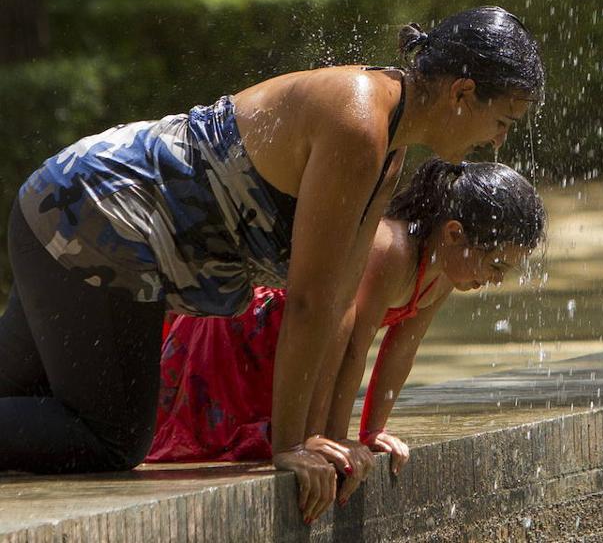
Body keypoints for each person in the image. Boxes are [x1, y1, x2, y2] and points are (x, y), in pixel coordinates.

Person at [0, 6, 542, 524]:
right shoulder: (358, 119)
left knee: (18, 398)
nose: (498, 140)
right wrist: (290, 445)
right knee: (112, 436)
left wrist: (332, 438)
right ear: (462, 93)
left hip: (71, 204)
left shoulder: (389, 147)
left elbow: (341, 306)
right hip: (94, 217)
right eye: (502, 120)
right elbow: (307, 300)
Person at [146, 159, 546, 485]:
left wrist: (373, 432)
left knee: (286, 437)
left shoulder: (441, 274)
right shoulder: (392, 249)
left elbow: (400, 352)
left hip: (309, 349)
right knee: (239, 437)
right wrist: (335, 438)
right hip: (258, 334)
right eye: (496, 265)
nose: (496, 279)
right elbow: (353, 345)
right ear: (454, 233)